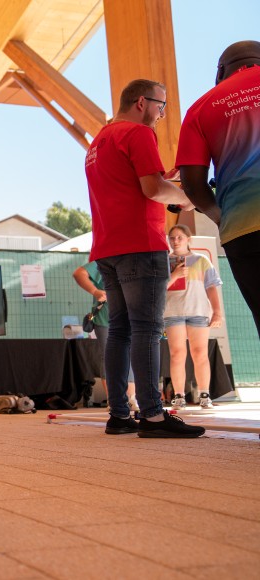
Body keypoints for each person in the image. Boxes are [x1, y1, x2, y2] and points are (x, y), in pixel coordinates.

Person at [85, 79, 204, 438]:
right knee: (147, 329)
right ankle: (153, 415)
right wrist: (186, 197)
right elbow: (152, 189)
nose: (162, 114)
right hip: (140, 244)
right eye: (160, 106)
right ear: (141, 102)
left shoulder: (99, 141)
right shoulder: (138, 134)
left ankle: (119, 414)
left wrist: (167, 181)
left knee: (119, 330)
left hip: (108, 247)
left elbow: (130, 186)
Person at [177, 40, 260, 340]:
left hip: (244, 228)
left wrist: (218, 215)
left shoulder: (201, 107)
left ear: (221, 71)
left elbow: (191, 183)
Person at [164, 224, 224, 410]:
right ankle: (179, 396)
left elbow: (211, 287)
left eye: (180, 237)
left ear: (189, 239)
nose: (176, 241)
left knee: (200, 353)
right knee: (177, 354)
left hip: (198, 311)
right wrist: (174, 276)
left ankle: (204, 395)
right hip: (173, 312)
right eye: (172, 237)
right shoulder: (163, 261)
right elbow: (157, 289)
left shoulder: (201, 260)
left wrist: (217, 311)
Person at [72, 262, 138, 412]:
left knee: (129, 354)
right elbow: (78, 273)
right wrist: (96, 292)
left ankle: (131, 396)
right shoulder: (104, 260)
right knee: (110, 355)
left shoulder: (134, 259)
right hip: (106, 317)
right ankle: (114, 398)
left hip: (131, 315)